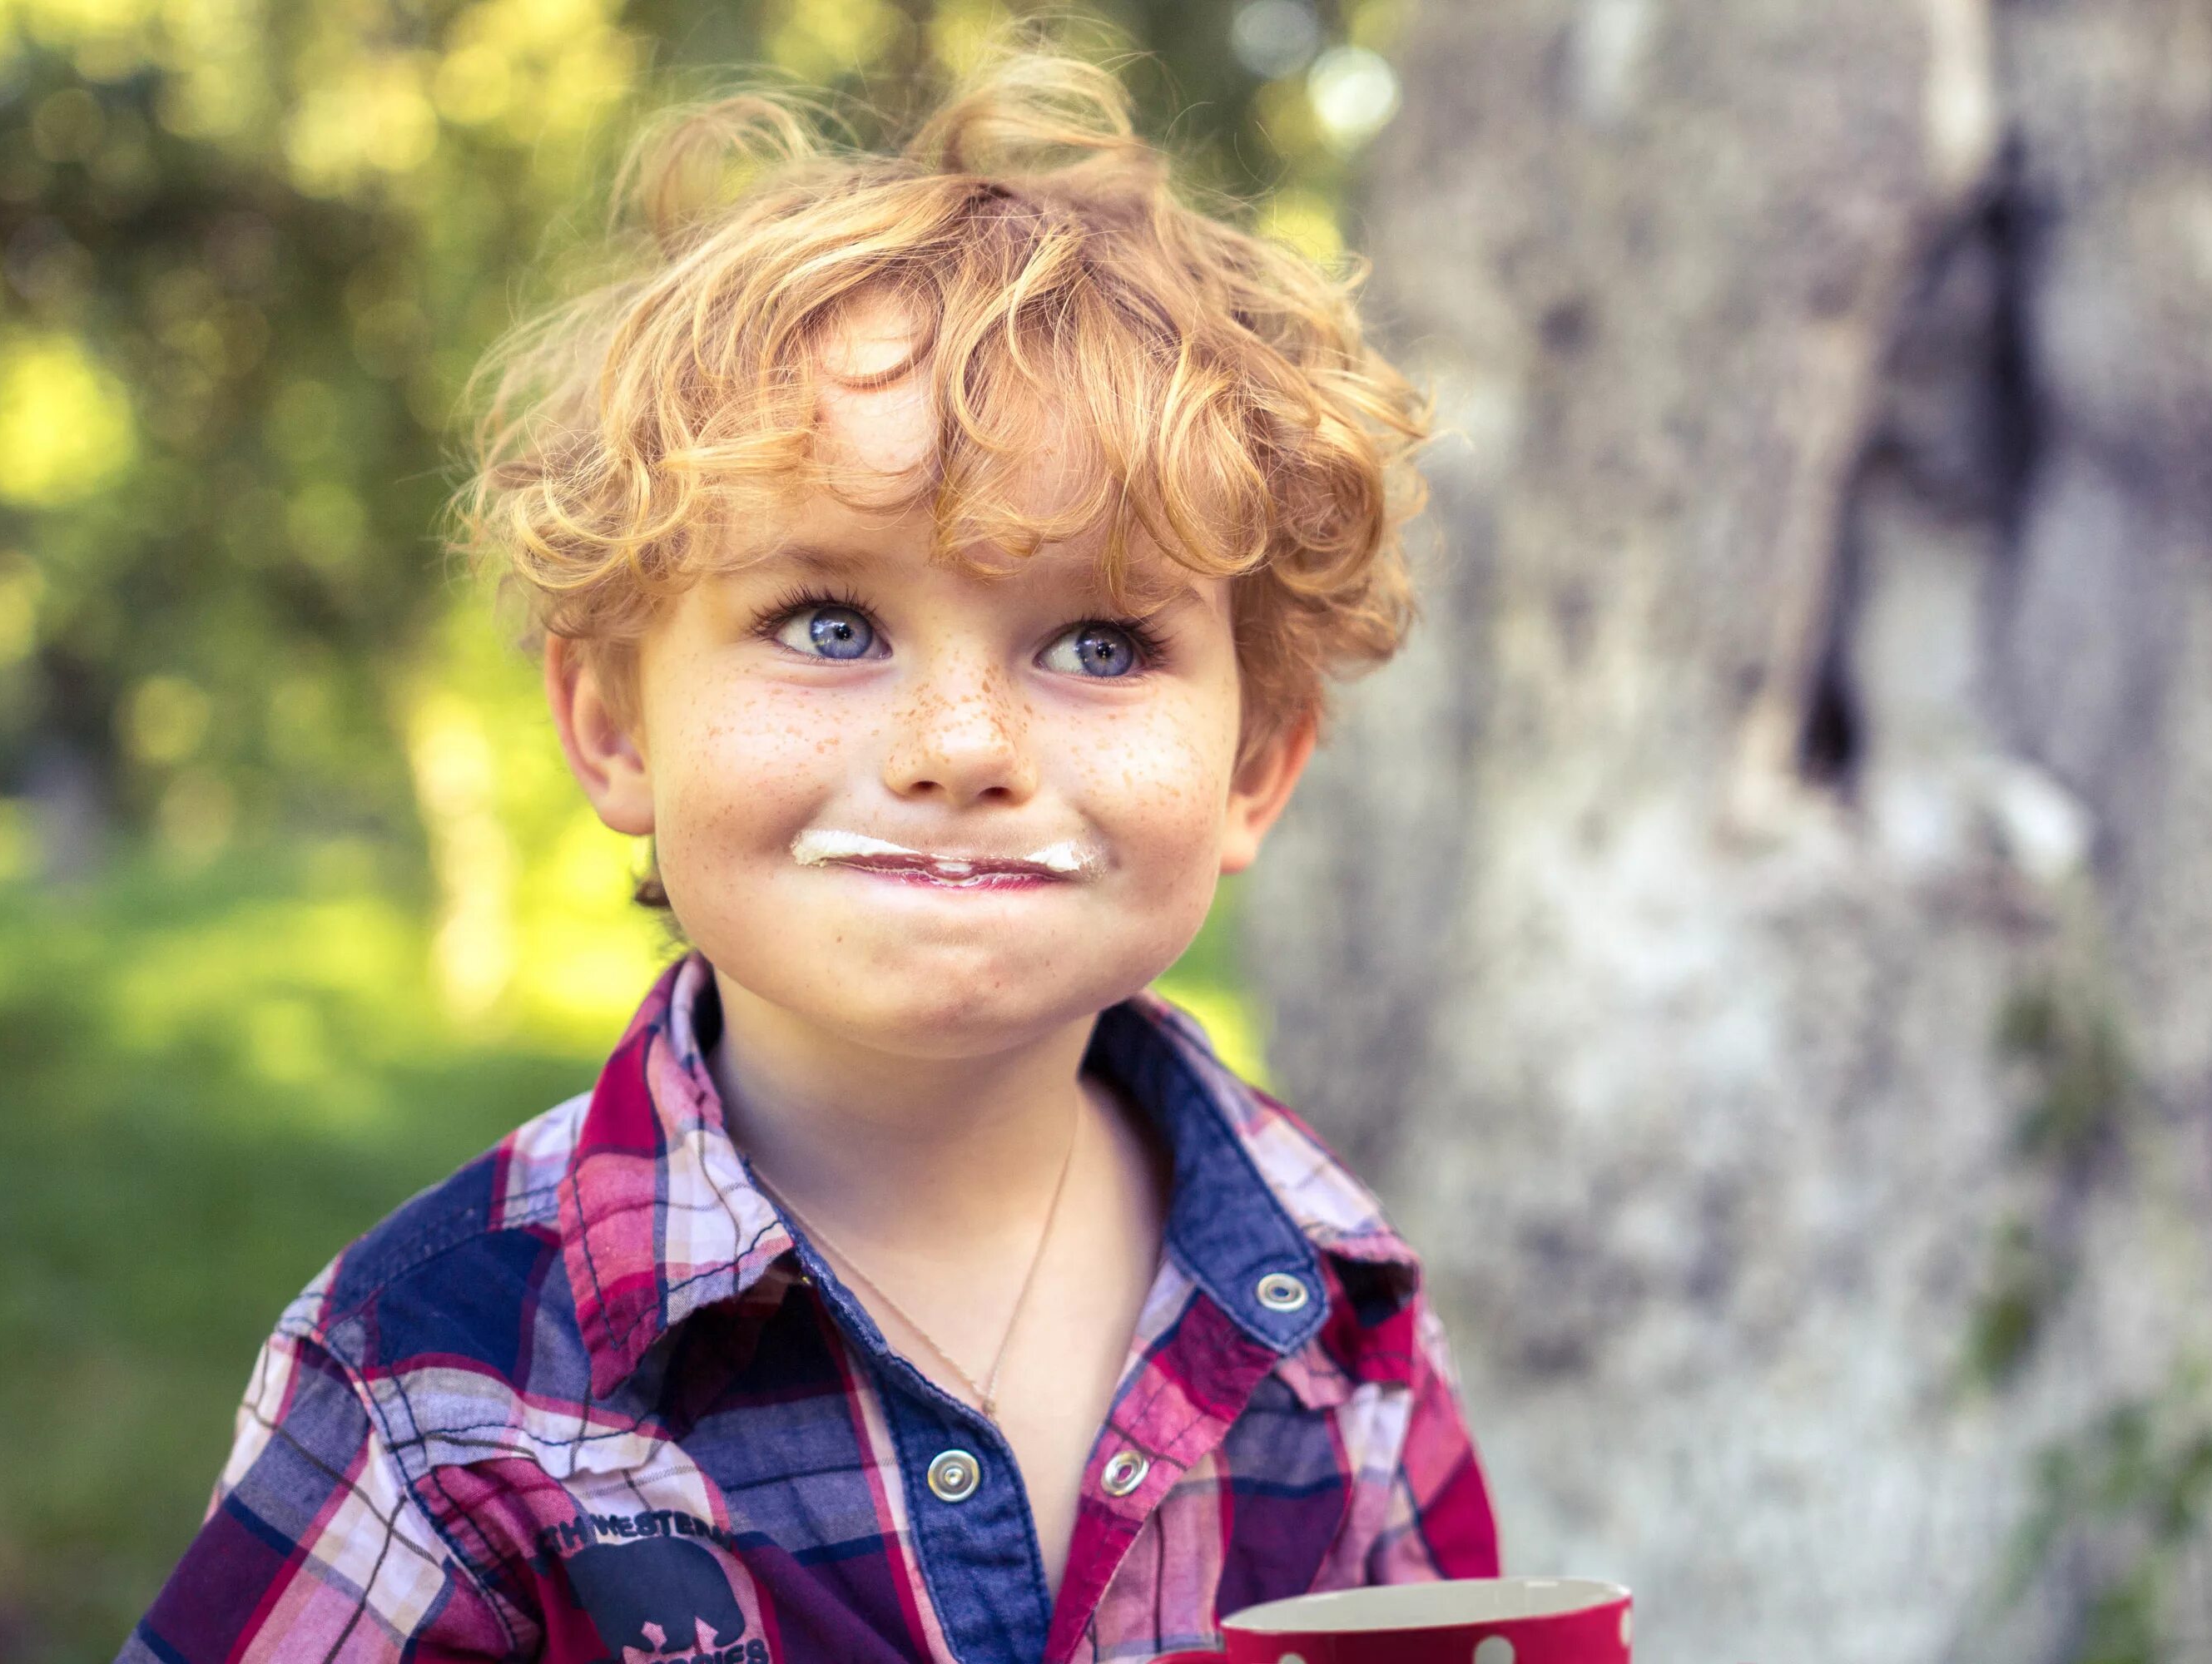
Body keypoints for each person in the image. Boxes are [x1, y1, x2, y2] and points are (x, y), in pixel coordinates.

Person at [122, 37, 1499, 1664]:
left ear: (1256, 766)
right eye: (830, 621)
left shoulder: (1330, 1317)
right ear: (619, 725)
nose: (963, 746)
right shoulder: (441, 1385)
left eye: (1104, 644)